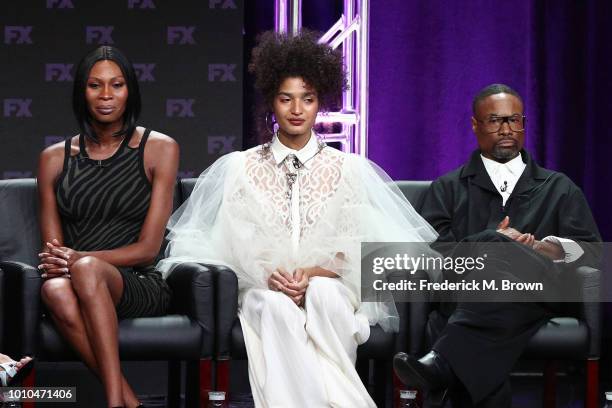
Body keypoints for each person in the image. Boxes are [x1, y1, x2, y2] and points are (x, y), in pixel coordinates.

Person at [158, 31, 437, 408]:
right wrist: (271, 277)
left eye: (307, 99)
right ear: (271, 102)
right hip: (262, 288)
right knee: (276, 309)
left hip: (330, 284)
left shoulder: (347, 169)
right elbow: (234, 242)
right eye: (286, 98)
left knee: (326, 298)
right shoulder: (241, 167)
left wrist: (312, 274)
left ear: (320, 103)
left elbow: (354, 245)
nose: (296, 109)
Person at [393, 83, 601, 407]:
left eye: (514, 120)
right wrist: (492, 241)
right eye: (495, 121)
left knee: (455, 317)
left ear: (524, 124)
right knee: (492, 254)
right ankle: (445, 363)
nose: (506, 129)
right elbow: (432, 254)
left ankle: (442, 363)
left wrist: (551, 249)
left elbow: (594, 252)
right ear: (475, 125)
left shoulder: (559, 188)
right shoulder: (447, 188)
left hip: (538, 295)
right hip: (464, 291)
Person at [36, 46, 179, 408]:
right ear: (81, 93)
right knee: (53, 290)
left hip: (137, 281)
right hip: (74, 280)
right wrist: (74, 263)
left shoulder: (158, 148)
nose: (105, 96)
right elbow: (53, 254)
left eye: (116, 85)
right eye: (94, 86)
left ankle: (115, 403)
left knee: (83, 270)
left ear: (130, 90)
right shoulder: (53, 159)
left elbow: (148, 249)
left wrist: (82, 258)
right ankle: (129, 402)